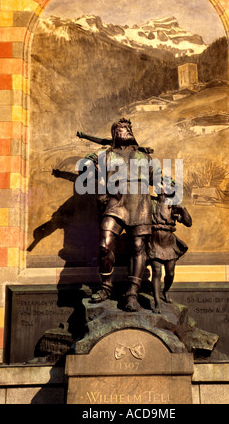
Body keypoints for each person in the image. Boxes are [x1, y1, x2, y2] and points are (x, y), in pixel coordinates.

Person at [79, 118, 155, 312]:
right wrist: (93, 167)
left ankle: (132, 294)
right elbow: (84, 164)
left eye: (129, 128)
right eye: (121, 129)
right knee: (105, 244)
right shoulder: (105, 155)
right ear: (114, 133)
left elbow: (158, 178)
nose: (127, 131)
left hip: (140, 203)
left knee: (138, 246)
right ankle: (106, 287)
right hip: (116, 201)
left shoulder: (144, 156)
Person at [148, 181, 192, 313]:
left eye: (166, 185)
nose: (162, 187)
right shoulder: (151, 202)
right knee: (156, 272)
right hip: (154, 240)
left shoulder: (174, 205)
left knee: (170, 272)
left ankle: (165, 291)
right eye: (160, 184)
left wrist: (183, 210)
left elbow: (189, 223)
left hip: (169, 241)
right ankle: (157, 303)